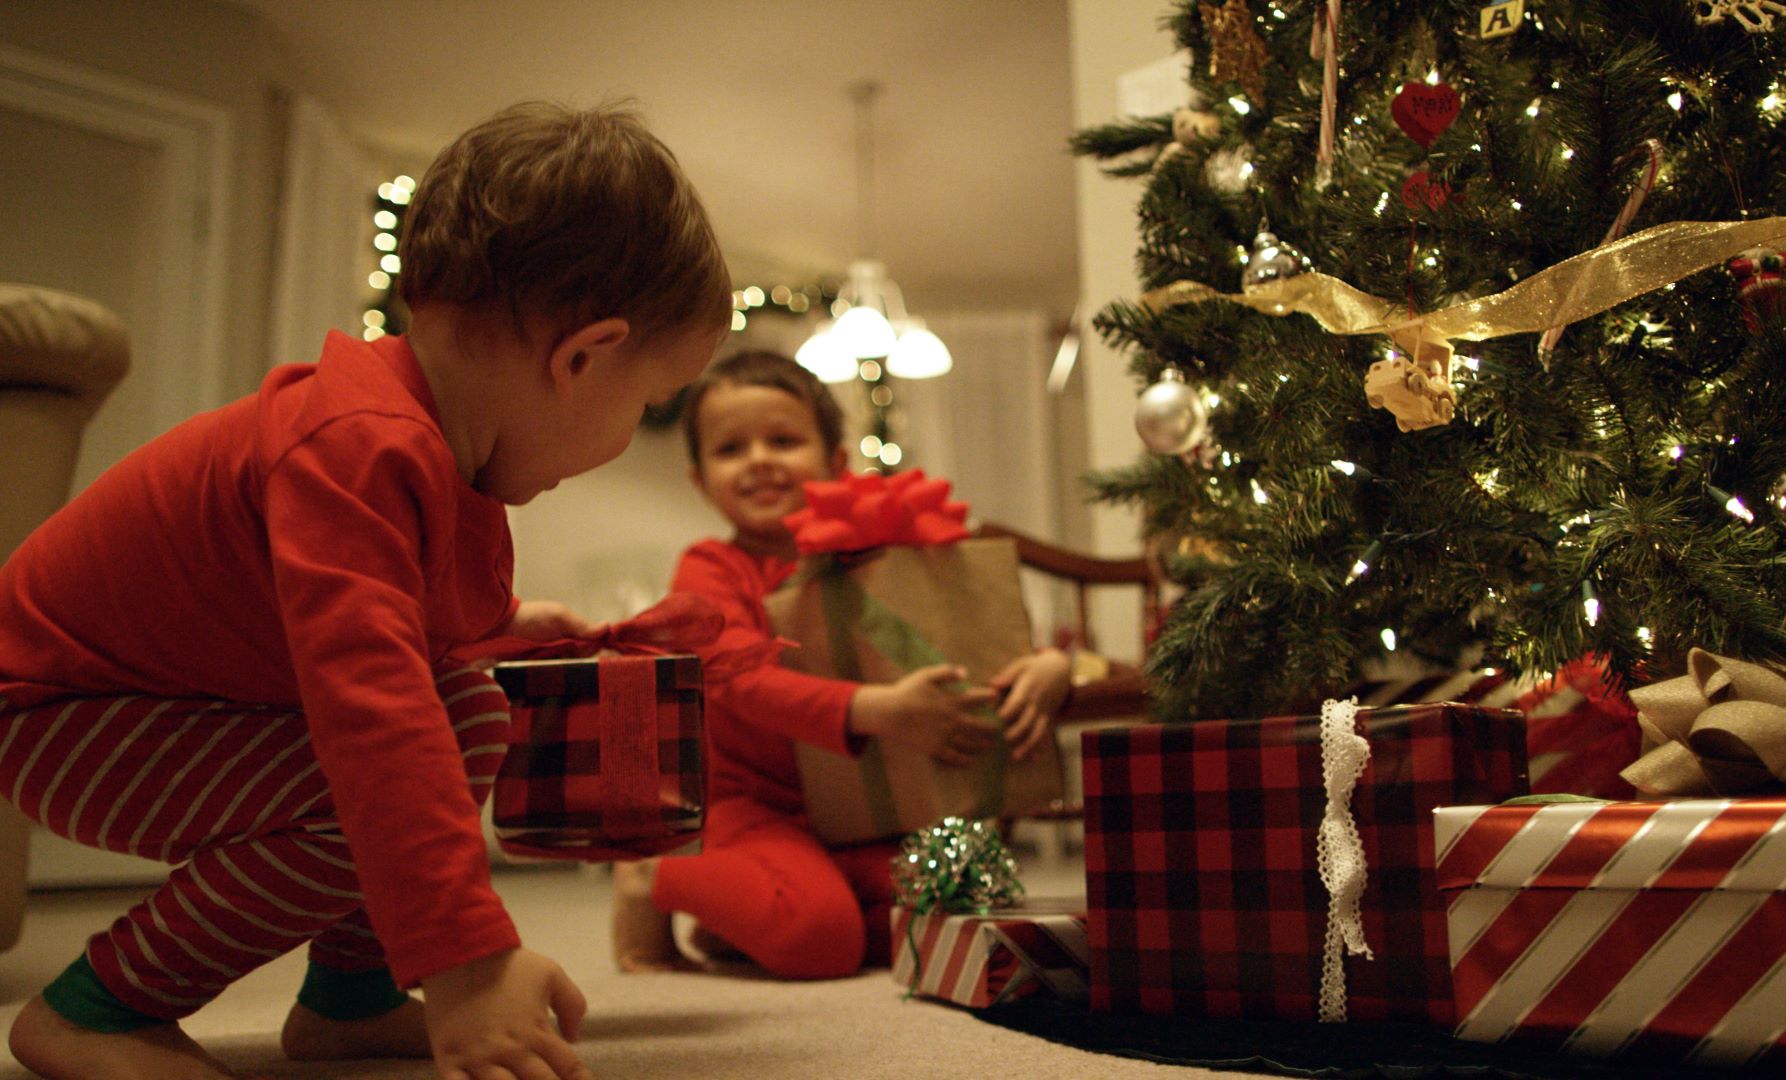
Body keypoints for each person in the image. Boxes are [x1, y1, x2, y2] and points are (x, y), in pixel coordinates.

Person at [0, 100, 729, 1080]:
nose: (635, 424)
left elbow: (365, 630)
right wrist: (465, 954)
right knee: (385, 765)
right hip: (56, 714)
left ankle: (350, 998)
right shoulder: (357, 443)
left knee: (465, 706)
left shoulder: (421, 447)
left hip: (163, 701)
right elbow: (368, 704)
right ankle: (98, 1007)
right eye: (649, 401)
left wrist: (505, 635)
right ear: (582, 356)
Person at [610, 350, 1071, 978]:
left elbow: (950, 640)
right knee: (820, 943)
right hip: (751, 809)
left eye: (783, 439)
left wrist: (1049, 667)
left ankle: (743, 920)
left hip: (860, 807)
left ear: (834, 461)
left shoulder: (871, 562)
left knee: (956, 909)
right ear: (700, 479)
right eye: (731, 449)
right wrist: (878, 710)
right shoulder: (711, 568)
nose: (760, 460)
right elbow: (739, 680)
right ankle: (651, 872)